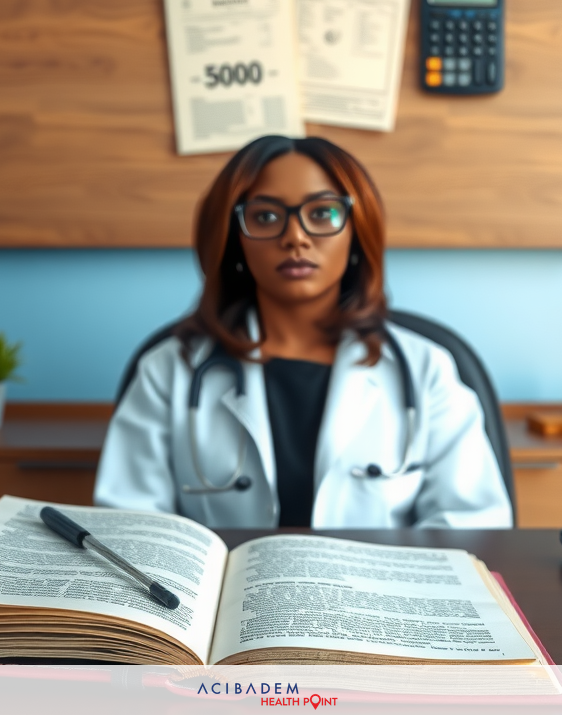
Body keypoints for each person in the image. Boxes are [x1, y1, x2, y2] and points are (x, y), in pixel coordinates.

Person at [93, 135, 512, 529]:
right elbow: (132, 526)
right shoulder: (169, 371)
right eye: (266, 216)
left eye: (323, 213)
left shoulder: (426, 370)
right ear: (235, 239)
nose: (295, 237)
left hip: (377, 604)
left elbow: (473, 526)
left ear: (357, 231)